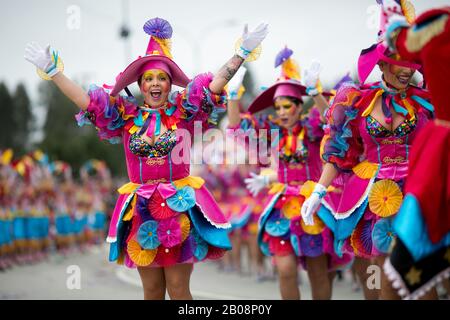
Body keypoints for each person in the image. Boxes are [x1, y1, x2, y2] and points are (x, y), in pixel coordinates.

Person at [24, 17, 268, 300]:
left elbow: (214, 86)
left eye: (162, 78)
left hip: (178, 207)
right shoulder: (125, 118)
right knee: (151, 292)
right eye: (149, 78)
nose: (155, 83)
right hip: (141, 209)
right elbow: (87, 102)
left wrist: (241, 53)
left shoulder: (183, 112)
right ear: (140, 84)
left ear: (169, 84)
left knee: (178, 290)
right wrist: (54, 72)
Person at [301, 0, 434, 299]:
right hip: (374, 195)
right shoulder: (357, 103)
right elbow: (337, 151)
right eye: (400, 62)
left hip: (416, 192)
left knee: (419, 275)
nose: (407, 71)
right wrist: (318, 191)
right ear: (382, 63)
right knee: (379, 273)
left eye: (411, 64)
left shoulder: (426, 102)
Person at [227, 47, 351, 300]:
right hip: (282, 205)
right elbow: (237, 127)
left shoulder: (314, 128)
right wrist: (231, 96)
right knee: (285, 271)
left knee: (318, 273)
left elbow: (334, 122)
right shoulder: (273, 131)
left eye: (287, 106)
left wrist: (315, 92)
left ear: (298, 105)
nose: (282, 112)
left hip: (313, 205)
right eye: (278, 107)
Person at [380, 1, 450, 300]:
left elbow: (402, 42)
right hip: (382, 191)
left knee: (408, 270)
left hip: (441, 163)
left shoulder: (438, 23)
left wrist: (394, 25)